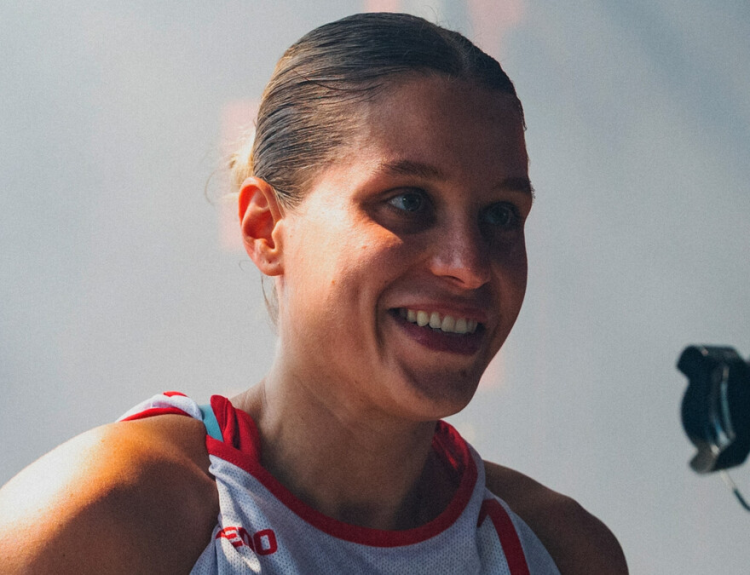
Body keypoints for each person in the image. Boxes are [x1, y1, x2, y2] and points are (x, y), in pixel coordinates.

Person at [0, 12, 627, 574]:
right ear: (264, 229)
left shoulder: (564, 551)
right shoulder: (102, 521)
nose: (469, 266)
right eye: (408, 201)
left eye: (500, 214)